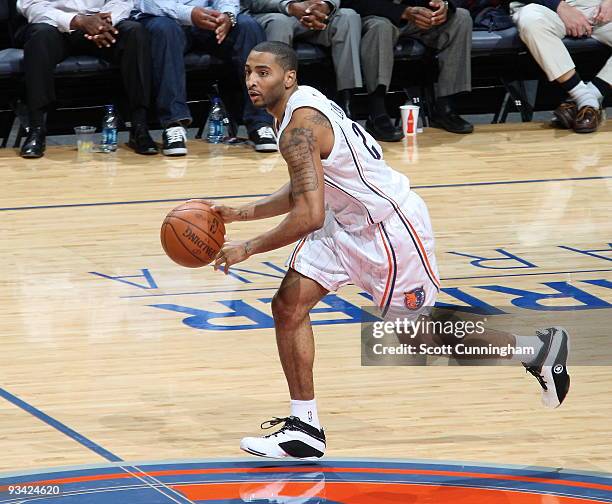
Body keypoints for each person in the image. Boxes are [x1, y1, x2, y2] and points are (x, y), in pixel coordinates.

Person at [199, 42, 570, 459]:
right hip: (346, 224)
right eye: (248, 71)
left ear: (288, 78)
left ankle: (536, 350)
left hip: (387, 230)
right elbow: (312, 186)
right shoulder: (302, 110)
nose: (252, 80)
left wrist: (246, 247)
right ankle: (305, 427)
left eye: (263, 72)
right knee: (288, 305)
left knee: (417, 337)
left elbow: (309, 216)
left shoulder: (299, 128)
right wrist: (242, 212)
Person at [242, 0, 403, 140]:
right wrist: (290, 7)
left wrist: (325, 5)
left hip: (317, 16)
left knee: (348, 16)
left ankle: (347, 107)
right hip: (278, 13)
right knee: (279, 23)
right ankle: (279, 113)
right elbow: (253, 2)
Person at [16, 0, 158, 158]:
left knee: (135, 32)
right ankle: (36, 129)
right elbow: (31, 5)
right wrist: (77, 21)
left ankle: (140, 126)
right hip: (56, 26)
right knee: (39, 36)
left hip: (101, 26)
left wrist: (104, 23)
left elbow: (121, 1)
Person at [132, 0, 277, 155]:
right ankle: (174, 124)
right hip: (165, 17)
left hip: (208, 19)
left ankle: (261, 122)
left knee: (248, 26)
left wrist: (227, 15)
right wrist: (189, 14)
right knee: (165, 29)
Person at [342, 0, 475, 134]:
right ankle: (377, 114)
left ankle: (444, 107)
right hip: (377, 15)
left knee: (461, 18)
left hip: (419, 17)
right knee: (381, 27)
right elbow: (352, 3)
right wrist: (403, 12)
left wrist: (444, 6)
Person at [511, 0, 610, 133]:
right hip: (548, 8)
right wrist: (559, 6)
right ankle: (582, 96)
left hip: (600, 8)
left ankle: (586, 100)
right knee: (530, 18)